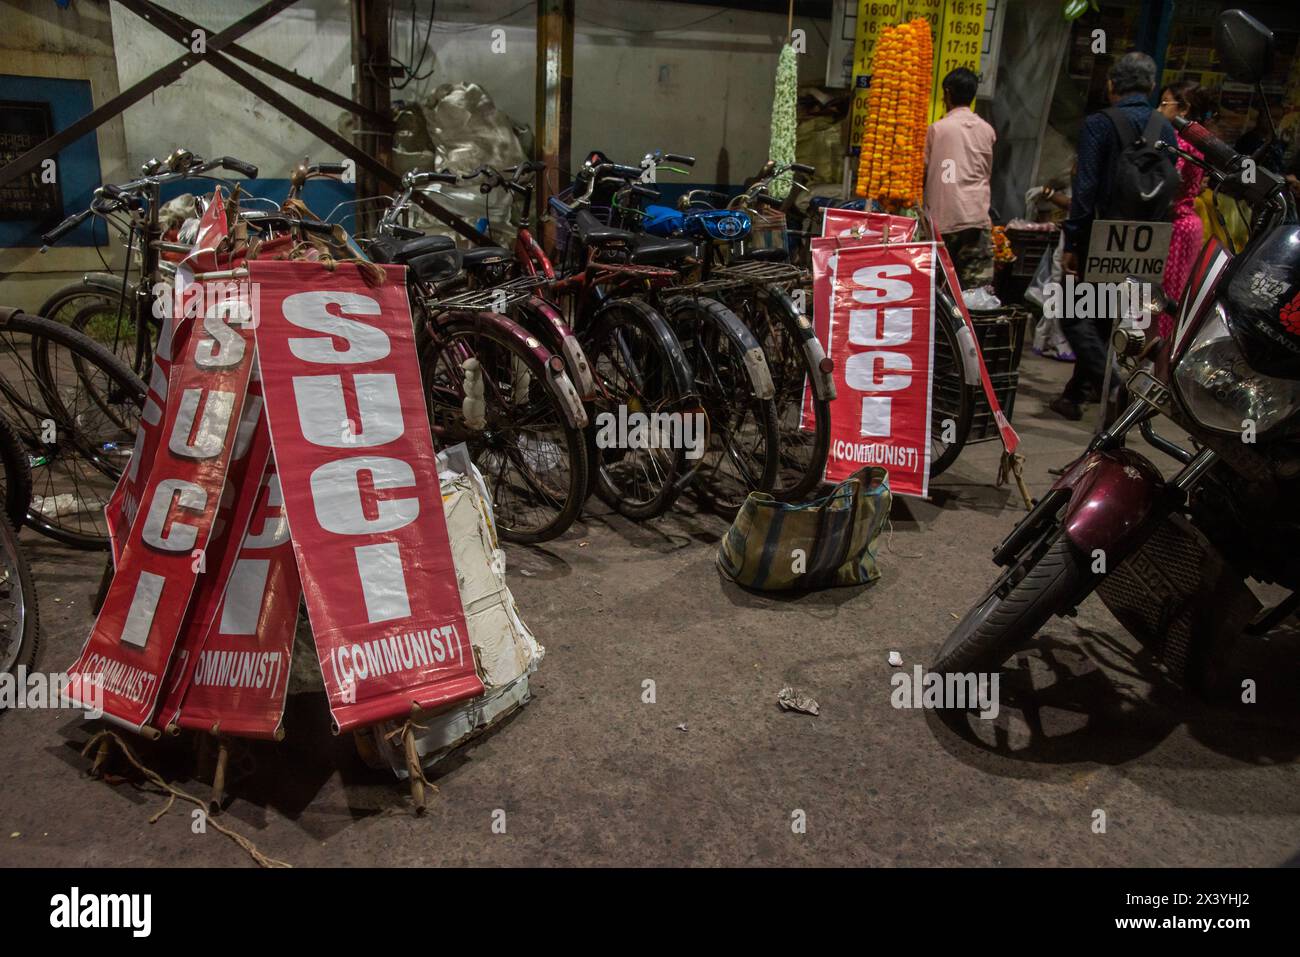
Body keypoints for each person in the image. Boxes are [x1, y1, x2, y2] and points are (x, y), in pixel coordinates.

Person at [1052, 51, 1177, 421]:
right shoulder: (1164, 127)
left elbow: (1085, 187)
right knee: (1105, 314)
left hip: (1101, 233)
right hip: (1144, 238)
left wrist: (1073, 241)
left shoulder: (1099, 123)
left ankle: (1117, 387)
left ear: (1111, 86)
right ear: (1152, 87)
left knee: (1072, 312)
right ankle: (1079, 393)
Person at [924, 67, 996, 288]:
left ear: (947, 93)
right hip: (977, 218)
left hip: (944, 223)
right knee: (975, 294)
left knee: (939, 292)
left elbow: (923, 171)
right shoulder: (987, 130)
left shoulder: (938, 129)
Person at [1156, 79, 1210, 340]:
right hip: (1187, 224)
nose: (1159, 109)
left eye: (1164, 103)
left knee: (1166, 297)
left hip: (1176, 225)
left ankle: (1161, 361)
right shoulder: (1196, 140)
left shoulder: (1180, 143)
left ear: (1184, 108)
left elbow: (1167, 185)